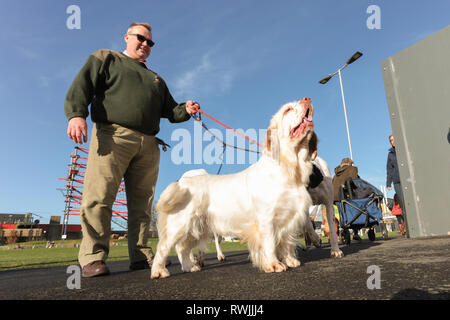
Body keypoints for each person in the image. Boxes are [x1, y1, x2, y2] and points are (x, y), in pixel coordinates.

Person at [64, 22, 198, 278]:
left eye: (150, 42)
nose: (146, 45)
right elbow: (83, 84)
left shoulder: (156, 79)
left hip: (148, 143)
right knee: (100, 195)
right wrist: (76, 114)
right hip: (113, 135)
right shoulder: (106, 58)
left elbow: (170, 111)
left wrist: (186, 109)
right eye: (141, 38)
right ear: (127, 37)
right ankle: (93, 257)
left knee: (143, 204)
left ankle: (140, 254)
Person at [332, 157, 361, 240]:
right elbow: (355, 181)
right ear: (350, 163)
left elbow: (332, 184)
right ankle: (355, 233)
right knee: (354, 213)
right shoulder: (352, 169)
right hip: (348, 195)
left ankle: (345, 230)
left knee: (343, 214)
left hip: (336, 196)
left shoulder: (336, 173)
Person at [386, 134, 407, 234]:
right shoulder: (390, 154)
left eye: (393, 140)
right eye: (390, 141)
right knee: (403, 203)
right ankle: (407, 225)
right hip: (397, 181)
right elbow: (389, 169)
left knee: (409, 201)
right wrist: (388, 183)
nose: (392, 142)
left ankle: (408, 224)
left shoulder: (403, 148)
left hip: (407, 179)